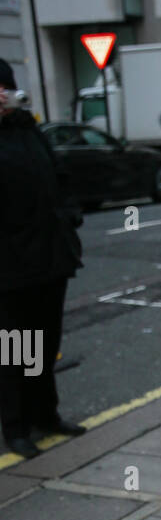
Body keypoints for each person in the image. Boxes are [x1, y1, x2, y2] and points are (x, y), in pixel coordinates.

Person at [0, 59, 86, 458]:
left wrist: (69, 215)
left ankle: (45, 414)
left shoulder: (29, 130)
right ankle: (15, 426)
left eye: (5, 86)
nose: (3, 93)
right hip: (10, 269)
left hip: (49, 261)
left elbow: (60, 176)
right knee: (15, 348)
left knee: (44, 344)